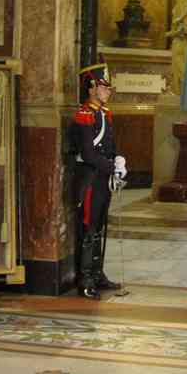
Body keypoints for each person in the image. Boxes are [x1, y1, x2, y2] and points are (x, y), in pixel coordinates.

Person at [70, 61, 127, 299]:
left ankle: (98, 273)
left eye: (108, 87)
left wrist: (119, 160)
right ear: (92, 87)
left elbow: (109, 147)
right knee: (89, 229)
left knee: (101, 227)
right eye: (104, 87)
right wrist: (111, 166)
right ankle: (86, 279)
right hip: (91, 180)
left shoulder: (104, 114)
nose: (108, 91)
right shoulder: (84, 116)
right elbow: (89, 153)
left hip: (103, 178)